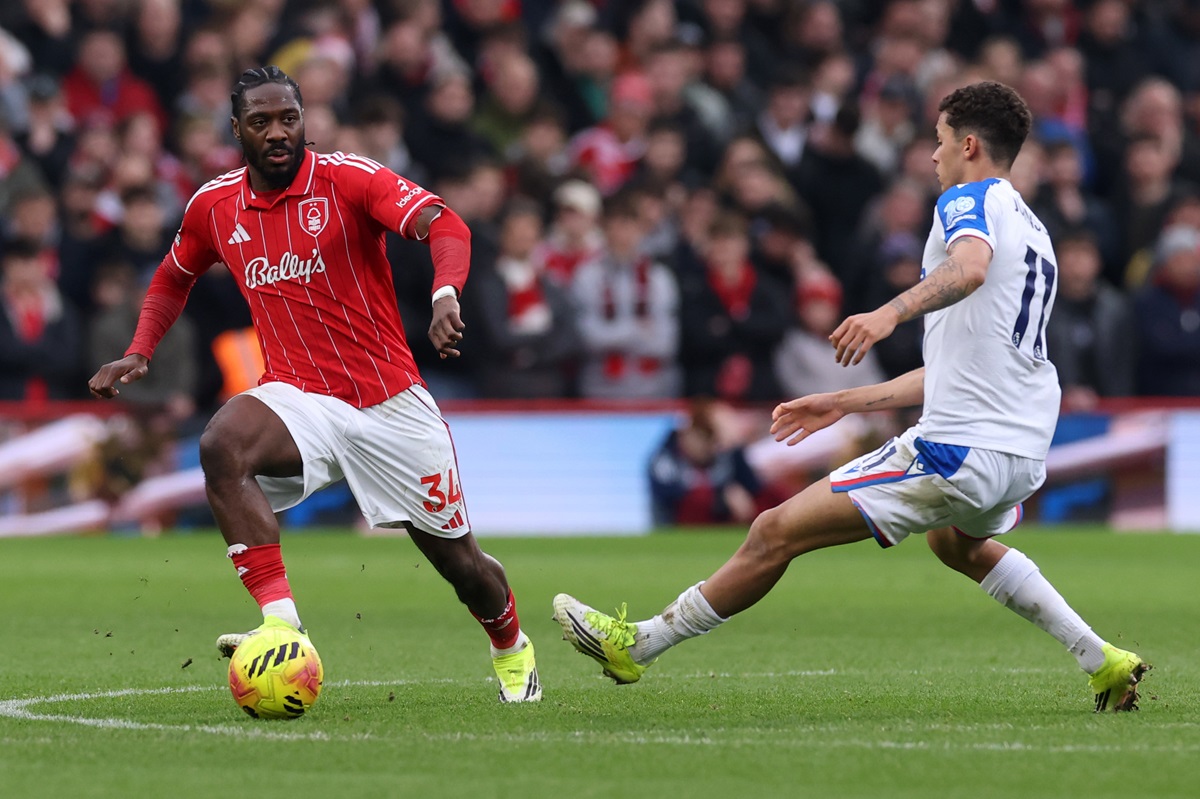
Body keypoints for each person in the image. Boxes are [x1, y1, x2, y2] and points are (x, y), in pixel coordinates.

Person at [553, 82, 1149, 713]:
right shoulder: (1035, 231)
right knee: (955, 543)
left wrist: (888, 313)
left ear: (970, 145)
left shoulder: (967, 200)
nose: (934, 154)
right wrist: (844, 402)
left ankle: (639, 644)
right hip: (1021, 452)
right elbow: (959, 368)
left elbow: (969, 268)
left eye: (940, 140)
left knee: (773, 531)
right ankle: (1102, 659)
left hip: (959, 447)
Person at [88, 67, 541, 703]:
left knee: (461, 565)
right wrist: (139, 350)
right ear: (237, 131)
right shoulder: (214, 206)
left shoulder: (348, 178)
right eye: (261, 122)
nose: (278, 132)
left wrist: (445, 293)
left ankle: (511, 647)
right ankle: (283, 625)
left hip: (388, 402)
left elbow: (446, 224)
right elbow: (172, 276)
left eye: (289, 118)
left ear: (304, 121)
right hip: (299, 397)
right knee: (222, 445)